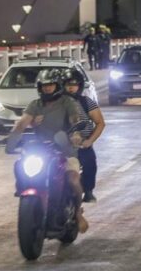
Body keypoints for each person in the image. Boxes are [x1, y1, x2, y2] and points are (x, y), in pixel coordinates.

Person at [10, 68, 88, 232]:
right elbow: (23, 123)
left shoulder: (67, 102)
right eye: (44, 85)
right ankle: (24, 189)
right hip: (42, 150)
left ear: (57, 85)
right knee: (20, 164)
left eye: (50, 85)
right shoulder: (35, 105)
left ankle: (77, 213)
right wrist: (12, 141)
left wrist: (76, 134)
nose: (47, 88)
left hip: (65, 150)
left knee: (73, 179)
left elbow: (75, 119)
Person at [62, 69, 105, 203]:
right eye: (67, 84)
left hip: (81, 144)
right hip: (61, 145)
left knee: (89, 162)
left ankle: (88, 191)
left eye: (74, 84)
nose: (71, 87)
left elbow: (100, 123)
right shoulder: (56, 104)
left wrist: (89, 141)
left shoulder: (86, 102)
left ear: (79, 86)